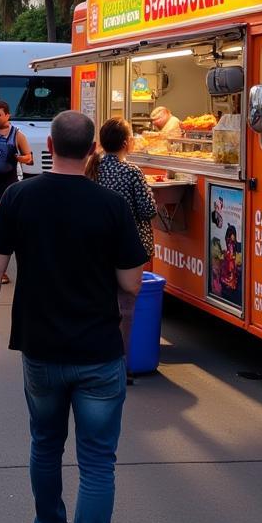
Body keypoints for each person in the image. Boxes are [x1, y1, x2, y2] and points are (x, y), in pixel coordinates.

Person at [0, 110, 145, 523]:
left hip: (41, 348)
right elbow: (132, 284)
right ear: (93, 148)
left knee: (45, 446)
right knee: (96, 464)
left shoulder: (19, 196)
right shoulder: (111, 205)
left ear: (48, 145)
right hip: (98, 352)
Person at [86, 117, 156, 374]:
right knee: (125, 306)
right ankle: (121, 364)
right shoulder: (131, 172)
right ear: (127, 142)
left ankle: (97, 354)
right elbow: (148, 210)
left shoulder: (93, 166)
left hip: (98, 244)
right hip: (129, 246)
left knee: (101, 300)